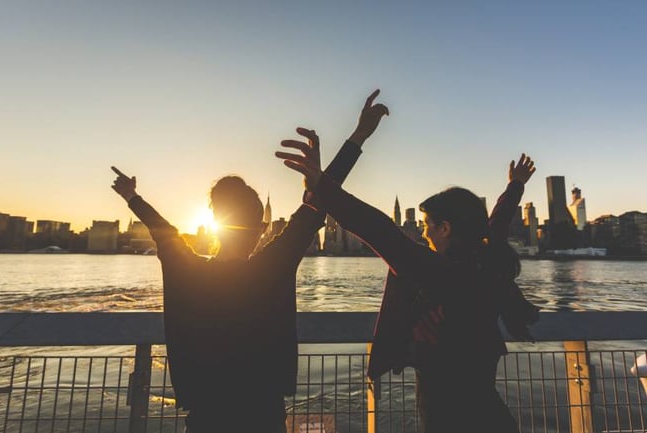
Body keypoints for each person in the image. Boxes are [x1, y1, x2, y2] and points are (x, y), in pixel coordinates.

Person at [110, 90, 388, 433]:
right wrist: (358, 136)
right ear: (260, 229)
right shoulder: (270, 268)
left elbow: (160, 228)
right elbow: (315, 210)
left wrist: (132, 197)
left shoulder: (187, 268)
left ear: (214, 223)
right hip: (263, 415)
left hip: (206, 417)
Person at [276, 135, 539, 432]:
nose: (424, 234)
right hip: (490, 417)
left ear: (445, 228)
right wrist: (515, 186)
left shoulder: (440, 271)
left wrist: (322, 185)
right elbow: (495, 227)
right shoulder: (484, 265)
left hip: (451, 422)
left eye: (427, 226)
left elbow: (379, 230)